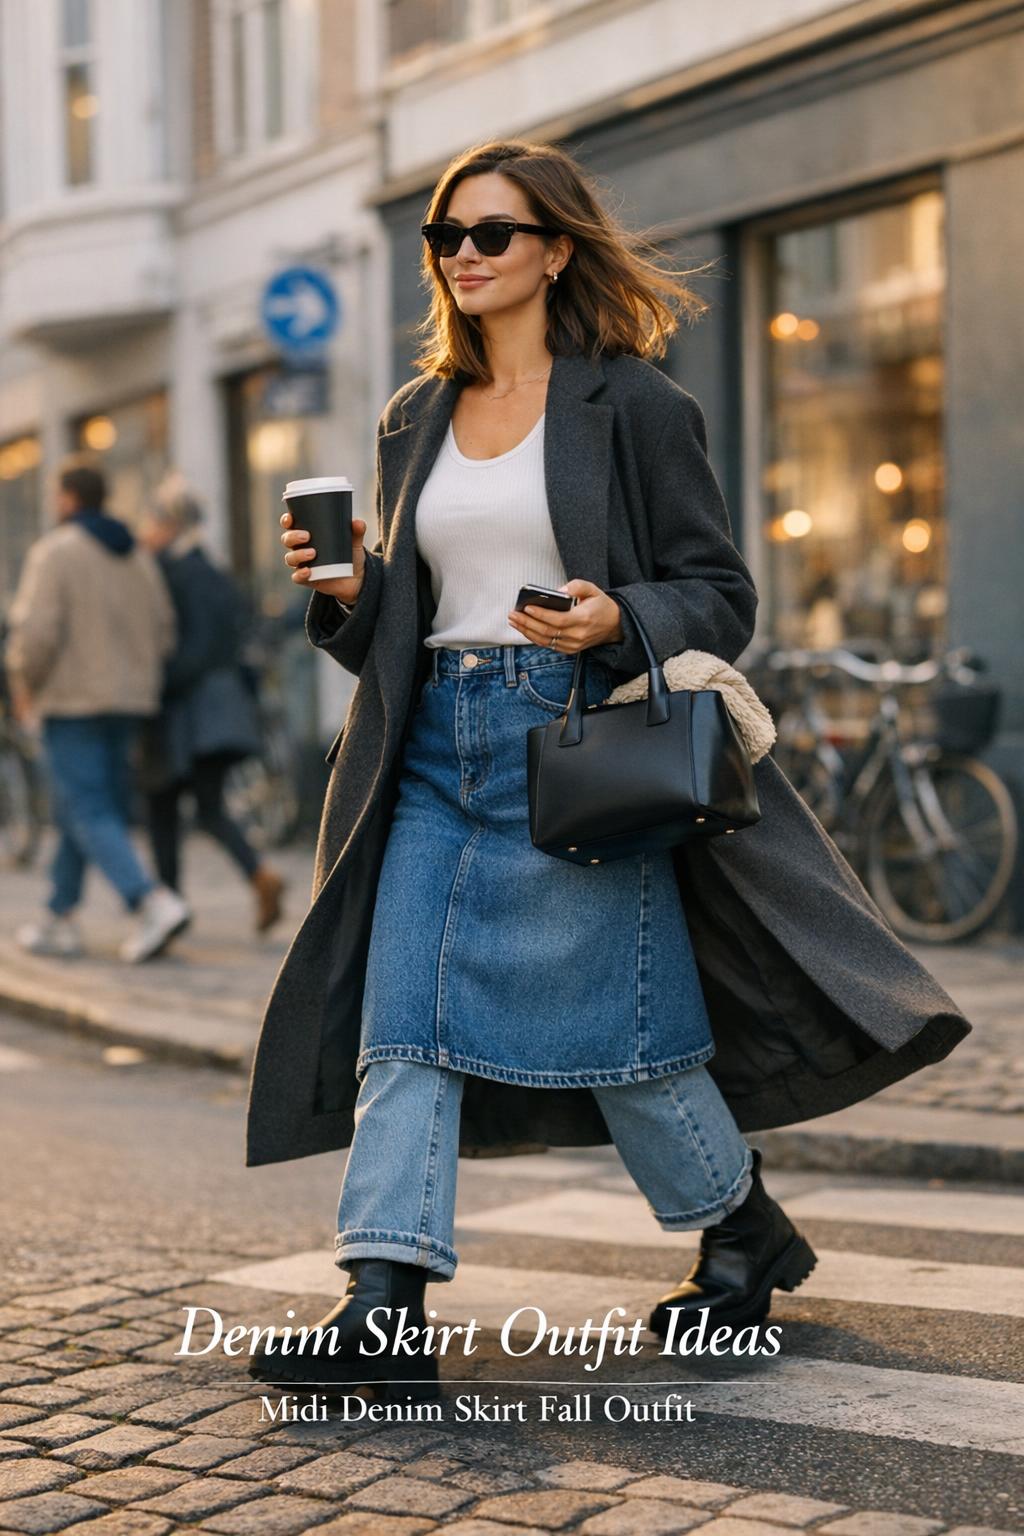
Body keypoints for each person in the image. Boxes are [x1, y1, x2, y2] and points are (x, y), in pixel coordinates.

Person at [246, 139, 970, 1401]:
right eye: (445, 237)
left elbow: (720, 595)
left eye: (492, 234)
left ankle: (740, 1226)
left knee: (624, 1033)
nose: (463, 255)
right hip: (429, 753)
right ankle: (383, 1310)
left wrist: (616, 618)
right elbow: (405, 631)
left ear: (555, 251)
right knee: (400, 1023)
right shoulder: (415, 415)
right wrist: (354, 591)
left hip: (574, 745)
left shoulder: (634, 404)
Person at [6, 460, 192, 964]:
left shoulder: (55, 551)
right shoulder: (139, 556)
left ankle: (150, 901)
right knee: (87, 808)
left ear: (68, 498)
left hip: (72, 701)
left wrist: (23, 684)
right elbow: (165, 629)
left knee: (86, 808)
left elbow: (36, 634)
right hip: (130, 702)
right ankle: (59, 916)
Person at [139, 475, 285, 933]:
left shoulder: (180, 573)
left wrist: (157, 684)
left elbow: (195, 649)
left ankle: (171, 905)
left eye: (153, 522)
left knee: (164, 804)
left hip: (190, 710)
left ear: (171, 525)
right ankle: (258, 876)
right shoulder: (215, 572)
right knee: (207, 806)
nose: (147, 531)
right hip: (221, 706)